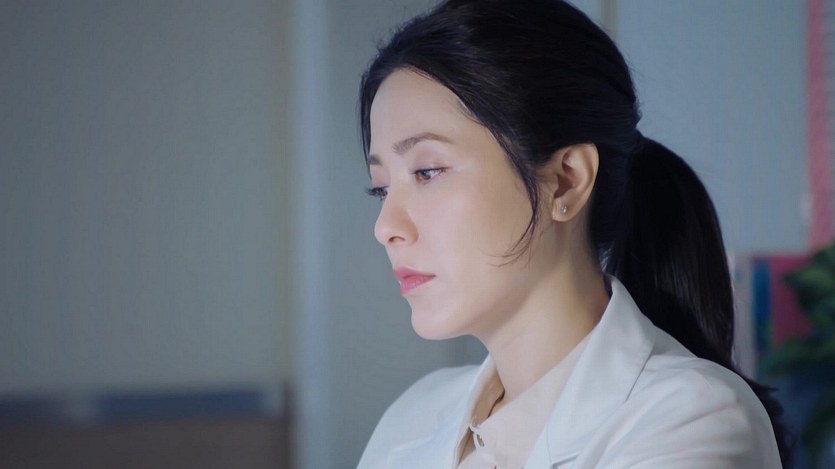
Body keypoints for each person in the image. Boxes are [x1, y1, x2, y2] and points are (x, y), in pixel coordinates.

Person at [356, 0, 790, 467]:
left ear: (566, 180)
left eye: (427, 171)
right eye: (382, 188)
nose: (385, 227)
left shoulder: (693, 419)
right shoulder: (414, 417)